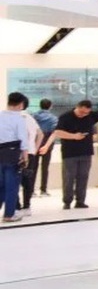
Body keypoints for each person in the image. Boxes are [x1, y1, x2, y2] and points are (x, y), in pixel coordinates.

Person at [39, 99, 98, 210]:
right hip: (69, 153)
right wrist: (74, 136)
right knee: (69, 177)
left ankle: (80, 201)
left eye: (86, 113)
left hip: (86, 152)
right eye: (81, 112)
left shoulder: (90, 116)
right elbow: (58, 132)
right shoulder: (65, 117)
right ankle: (67, 201)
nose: (83, 114)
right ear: (77, 107)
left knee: (83, 177)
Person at [1, 93, 35, 223]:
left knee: (1, 185)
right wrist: (25, 157)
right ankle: (9, 214)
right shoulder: (19, 119)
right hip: (12, 152)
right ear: (21, 104)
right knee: (12, 185)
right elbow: (23, 139)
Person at [14, 95, 43, 214]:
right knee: (27, 181)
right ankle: (27, 206)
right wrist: (34, 149)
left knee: (14, 180)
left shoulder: (16, 117)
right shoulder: (30, 118)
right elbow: (40, 134)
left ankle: (17, 206)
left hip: (17, 152)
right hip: (30, 152)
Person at [31, 99, 57, 197]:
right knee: (45, 167)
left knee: (33, 167)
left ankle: (31, 190)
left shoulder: (34, 116)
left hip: (35, 142)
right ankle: (43, 190)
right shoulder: (53, 118)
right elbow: (55, 132)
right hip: (47, 143)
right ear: (50, 106)